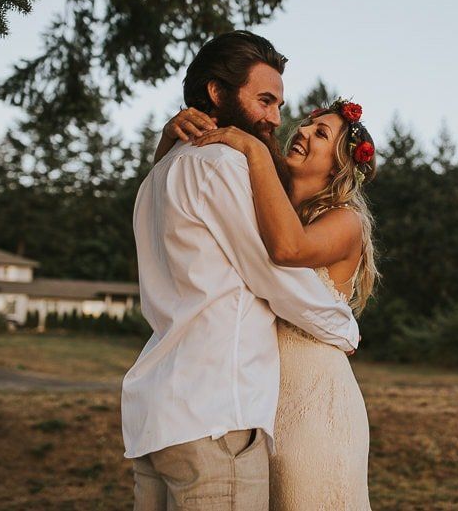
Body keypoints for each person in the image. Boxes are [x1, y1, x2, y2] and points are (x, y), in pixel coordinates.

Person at [122, 31, 360, 511]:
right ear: (216, 93)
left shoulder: (159, 173)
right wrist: (344, 326)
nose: (278, 119)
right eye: (265, 100)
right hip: (213, 413)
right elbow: (273, 270)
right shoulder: (224, 165)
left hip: (158, 415)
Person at [161, 96, 379, 510]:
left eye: (321, 134)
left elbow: (288, 249)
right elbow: (176, 203)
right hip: (258, 398)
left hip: (315, 400)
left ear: (339, 166)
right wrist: (170, 140)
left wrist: (254, 148)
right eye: (306, 125)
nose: (301, 132)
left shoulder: (344, 221)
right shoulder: (259, 200)